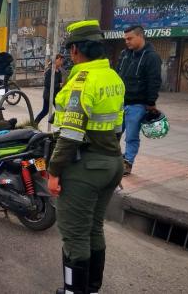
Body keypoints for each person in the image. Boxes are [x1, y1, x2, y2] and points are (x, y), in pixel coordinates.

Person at [47, 20, 125, 294]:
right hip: (111, 163)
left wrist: (54, 171)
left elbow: (70, 134)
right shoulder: (113, 77)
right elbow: (118, 127)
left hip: (86, 168)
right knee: (93, 228)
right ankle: (91, 288)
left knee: (74, 234)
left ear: (76, 50)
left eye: (70, 49)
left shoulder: (82, 81)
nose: (70, 54)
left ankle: (73, 291)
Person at [116, 25, 162, 176]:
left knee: (131, 136)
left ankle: (127, 163)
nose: (127, 42)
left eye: (130, 38)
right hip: (119, 103)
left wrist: (150, 103)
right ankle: (113, 160)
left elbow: (154, 81)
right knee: (113, 134)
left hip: (137, 105)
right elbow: (117, 75)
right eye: (125, 39)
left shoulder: (151, 57)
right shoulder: (124, 54)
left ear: (140, 36)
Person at [35, 54, 64, 124]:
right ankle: (35, 123)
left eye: (62, 60)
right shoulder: (49, 71)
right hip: (48, 95)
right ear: (55, 60)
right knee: (45, 111)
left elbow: (60, 82)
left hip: (56, 95)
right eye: (60, 60)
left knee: (60, 110)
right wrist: (59, 85)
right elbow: (47, 84)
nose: (61, 62)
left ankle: (53, 121)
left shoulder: (59, 72)